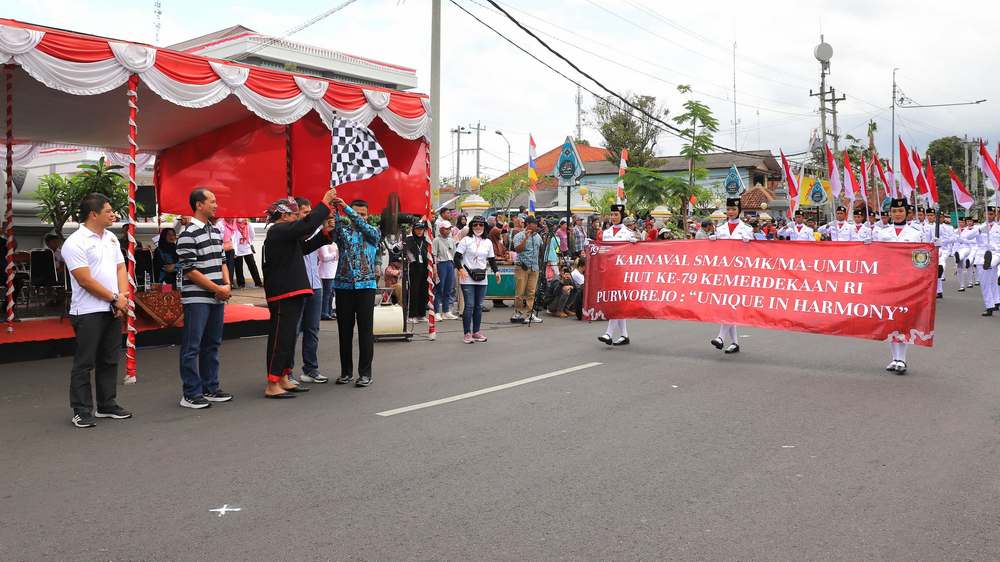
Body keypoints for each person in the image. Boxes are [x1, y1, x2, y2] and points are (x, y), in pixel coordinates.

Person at [61, 193, 131, 428]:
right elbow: (84, 281)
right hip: (88, 312)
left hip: (112, 307)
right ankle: (81, 410)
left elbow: (121, 268)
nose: (114, 214)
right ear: (93, 214)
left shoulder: (111, 237)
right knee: (85, 362)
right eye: (109, 211)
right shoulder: (75, 242)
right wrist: (114, 298)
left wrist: (121, 298)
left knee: (110, 360)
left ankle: (107, 404)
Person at [262, 193, 336, 397]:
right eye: (295, 214)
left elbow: (305, 247)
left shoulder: (284, 234)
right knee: (280, 338)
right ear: (284, 216)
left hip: (290, 291)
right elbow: (305, 226)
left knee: (286, 338)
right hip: (283, 292)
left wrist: (325, 232)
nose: (298, 218)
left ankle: (283, 378)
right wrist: (325, 203)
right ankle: (272, 384)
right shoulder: (277, 230)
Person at [175, 188, 234, 409]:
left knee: (212, 344)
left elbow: (222, 260)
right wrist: (217, 289)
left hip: (217, 296)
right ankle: (190, 392)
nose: (216, 205)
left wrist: (226, 285)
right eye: (212, 201)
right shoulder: (187, 233)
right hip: (197, 299)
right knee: (192, 346)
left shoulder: (217, 231)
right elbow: (189, 269)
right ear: (199, 205)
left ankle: (211, 387)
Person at [331, 198, 381, 387]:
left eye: (363, 214)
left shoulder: (373, 233)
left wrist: (347, 208)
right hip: (343, 287)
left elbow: (363, 226)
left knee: (365, 331)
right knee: (344, 332)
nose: (358, 217)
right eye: (356, 213)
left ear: (368, 216)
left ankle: (365, 373)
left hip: (366, 287)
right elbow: (334, 229)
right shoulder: (343, 233)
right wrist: (336, 210)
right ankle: (346, 372)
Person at [876, 199, 925, 373]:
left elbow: (922, 256)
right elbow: (877, 255)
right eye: (894, 211)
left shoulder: (915, 232)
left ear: (907, 212)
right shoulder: (882, 232)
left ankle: (902, 359)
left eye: (901, 211)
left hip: (907, 280)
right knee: (890, 318)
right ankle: (894, 358)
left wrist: (934, 247)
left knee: (903, 319)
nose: (897, 214)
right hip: (887, 279)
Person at [286, 197, 329, 385]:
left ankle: (310, 369)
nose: (309, 215)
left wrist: (327, 228)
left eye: (310, 212)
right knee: (293, 331)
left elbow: (323, 253)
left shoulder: (315, 232)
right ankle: (286, 372)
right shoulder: (290, 233)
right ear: (296, 214)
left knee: (312, 330)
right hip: (297, 287)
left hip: (316, 286)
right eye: (305, 212)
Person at [709, 197, 753, 354]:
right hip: (724, 270)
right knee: (728, 303)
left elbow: (756, 252)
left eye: (733, 209)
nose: (730, 212)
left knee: (730, 302)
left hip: (740, 271)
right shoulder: (720, 229)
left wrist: (751, 243)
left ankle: (721, 337)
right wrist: (712, 242)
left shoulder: (747, 228)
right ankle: (734, 343)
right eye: (728, 209)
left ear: (739, 210)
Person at [454, 215, 500, 343]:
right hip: (467, 277)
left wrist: (496, 272)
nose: (478, 227)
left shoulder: (488, 242)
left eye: (480, 224)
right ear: (471, 226)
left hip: (482, 277)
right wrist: (461, 269)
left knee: (479, 305)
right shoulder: (466, 240)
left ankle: (476, 331)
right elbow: (456, 257)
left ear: (484, 226)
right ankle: (467, 333)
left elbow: (491, 259)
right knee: (469, 305)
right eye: (475, 225)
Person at [598, 204, 637, 346]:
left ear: (621, 215)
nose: (613, 217)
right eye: (612, 214)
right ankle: (624, 335)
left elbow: (634, 254)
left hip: (622, 271)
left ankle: (608, 333)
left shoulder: (628, 233)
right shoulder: (606, 232)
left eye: (616, 214)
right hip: (609, 270)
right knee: (616, 301)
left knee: (617, 301)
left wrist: (635, 244)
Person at [962, 206, 1000, 317]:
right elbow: (967, 236)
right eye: (987, 214)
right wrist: (979, 230)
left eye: (992, 214)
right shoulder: (978, 227)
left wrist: (993, 246)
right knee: (986, 283)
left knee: (993, 268)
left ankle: (990, 264)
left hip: (996, 253)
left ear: (996, 215)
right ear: (983, 215)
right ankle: (990, 305)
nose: (989, 216)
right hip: (981, 256)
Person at [511, 215, 543, 324]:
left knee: (531, 292)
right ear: (528, 224)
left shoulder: (538, 236)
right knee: (520, 292)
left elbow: (541, 249)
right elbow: (517, 249)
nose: (536, 225)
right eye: (534, 223)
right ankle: (518, 312)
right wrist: (526, 237)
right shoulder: (519, 235)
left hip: (534, 267)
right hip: (522, 267)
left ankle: (530, 314)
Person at [405, 221, 431, 323]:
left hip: (424, 266)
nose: (419, 231)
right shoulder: (409, 240)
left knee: (423, 291)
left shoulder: (425, 241)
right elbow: (396, 249)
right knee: (414, 291)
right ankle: (411, 315)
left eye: (421, 229)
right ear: (413, 230)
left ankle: (421, 314)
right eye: (417, 229)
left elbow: (430, 254)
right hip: (413, 266)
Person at [432, 221, 457, 321]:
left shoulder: (451, 240)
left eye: (449, 229)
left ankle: (446, 311)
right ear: (441, 229)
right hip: (441, 264)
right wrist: (434, 267)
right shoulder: (436, 240)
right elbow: (434, 254)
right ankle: (436, 312)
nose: (448, 231)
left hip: (450, 264)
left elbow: (454, 253)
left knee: (448, 289)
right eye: (446, 229)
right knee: (439, 289)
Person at [233, 218, 263, 289]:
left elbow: (252, 235)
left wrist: (248, 241)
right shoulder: (234, 224)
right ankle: (241, 284)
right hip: (238, 249)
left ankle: (258, 282)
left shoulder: (248, 225)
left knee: (252, 265)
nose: (240, 218)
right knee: (238, 267)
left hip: (247, 248)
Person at [319, 236, 338, 320]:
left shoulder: (334, 244)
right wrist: (335, 253)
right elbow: (324, 257)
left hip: (333, 271)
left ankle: (330, 312)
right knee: (327, 293)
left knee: (331, 294)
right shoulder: (323, 245)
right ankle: (324, 312)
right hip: (326, 272)